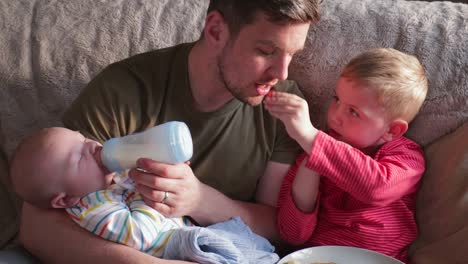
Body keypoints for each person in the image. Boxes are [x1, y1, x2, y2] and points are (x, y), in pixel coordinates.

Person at [18, 1, 321, 263]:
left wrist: (201, 200)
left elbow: (279, 227)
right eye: (266, 51)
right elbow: (36, 224)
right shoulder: (126, 90)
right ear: (216, 30)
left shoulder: (284, 109)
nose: (281, 72)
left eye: (292, 54)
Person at [10, 127, 279, 263]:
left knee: (233, 234)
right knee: (211, 241)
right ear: (65, 199)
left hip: (180, 233)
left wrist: (163, 174)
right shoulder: (92, 210)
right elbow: (140, 234)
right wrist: (147, 192)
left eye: (83, 139)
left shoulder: (106, 183)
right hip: (170, 249)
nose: (92, 145)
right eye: (79, 156)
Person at [264, 48, 428, 263]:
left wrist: (312, 139)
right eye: (336, 99)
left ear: (392, 131)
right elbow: (292, 234)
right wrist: (310, 162)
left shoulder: (406, 155)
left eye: (353, 112)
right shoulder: (315, 150)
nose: (335, 115)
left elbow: (375, 187)